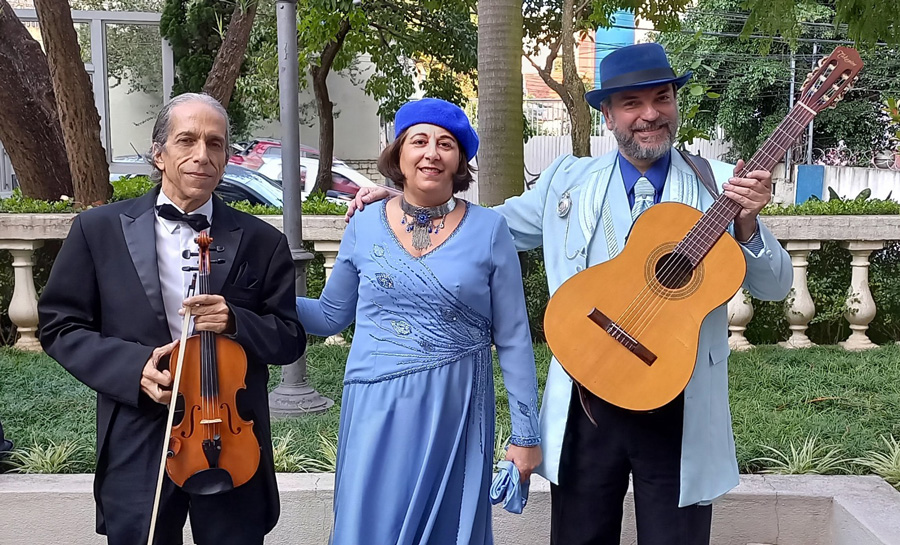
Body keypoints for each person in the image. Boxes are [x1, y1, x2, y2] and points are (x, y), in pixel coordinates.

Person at [347, 44, 792, 544]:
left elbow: (775, 286)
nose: (649, 115)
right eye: (631, 102)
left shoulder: (720, 186)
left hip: (680, 401)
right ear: (607, 113)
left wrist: (749, 224)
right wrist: (407, 203)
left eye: (661, 98)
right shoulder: (566, 179)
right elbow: (485, 228)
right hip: (587, 396)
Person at [38, 93, 305, 545]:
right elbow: (59, 325)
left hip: (229, 439)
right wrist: (133, 367)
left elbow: (289, 339)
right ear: (159, 154)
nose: (202, 155)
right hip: (139, 431)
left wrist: (236, 320)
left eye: (215, 144)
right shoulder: (96, 230)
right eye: (187, 140)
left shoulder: (262, 240)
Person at [296, 97, 542, 545]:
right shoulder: (364, 224)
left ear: (459, 160)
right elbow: (330, 316)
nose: (432, 152)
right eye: (419, 141)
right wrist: (262, 300)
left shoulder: (490, 231)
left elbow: (513, 338)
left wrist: (526, 435)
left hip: (456, 409)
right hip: (374, 409)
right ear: (399, 155)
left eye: (446, 143)